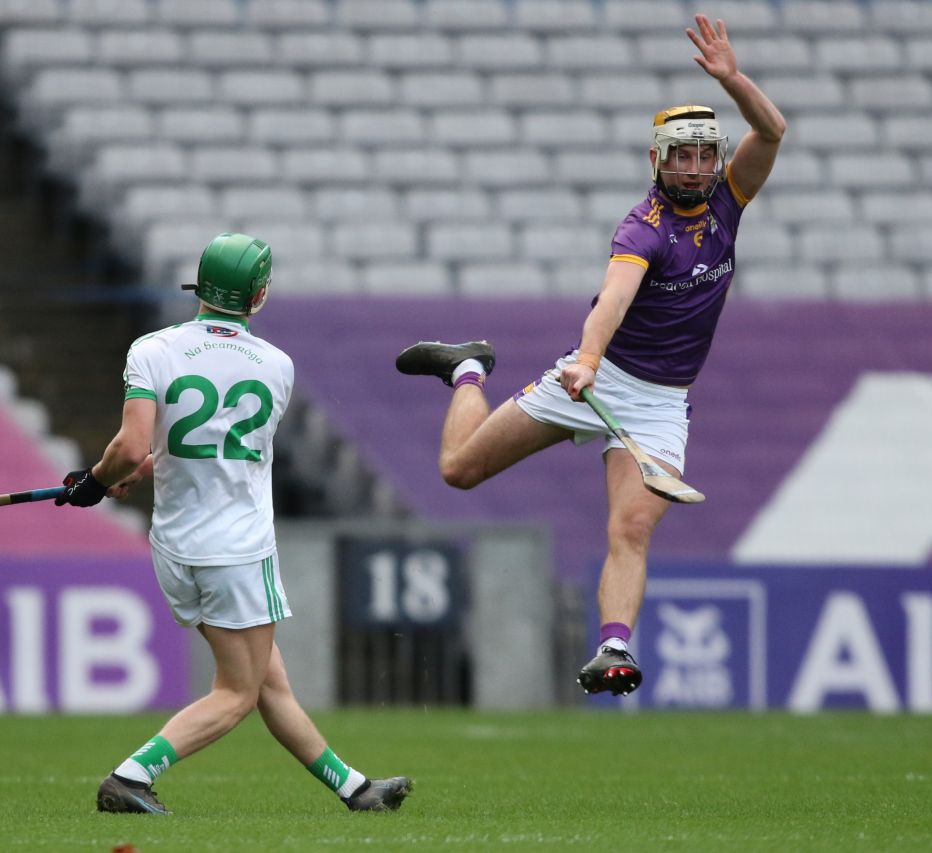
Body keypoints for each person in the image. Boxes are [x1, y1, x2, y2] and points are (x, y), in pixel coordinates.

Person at [396, 15, 785, 697]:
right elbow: (611, 298)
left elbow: (774, 130)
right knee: (459, 469)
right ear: (656, 160)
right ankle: (466, 369)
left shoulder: (729, 203)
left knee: (630, 525)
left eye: (703, 154)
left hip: (660, 403)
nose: (693, 167)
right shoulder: (645, 227)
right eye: (679, 155)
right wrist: (589, 361)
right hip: (594, 373)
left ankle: (614, 648)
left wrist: (732, 80)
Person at [57, 232, 412, 814]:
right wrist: (124, 467)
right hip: (238, 549)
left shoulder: (152, 349)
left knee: (267, 681)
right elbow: (224, 446)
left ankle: (355, 789)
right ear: (260, 296)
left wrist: (100, 480)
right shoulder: (277, 366)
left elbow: (132, 446)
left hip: (175, 545)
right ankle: (130, 777)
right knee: (237, 693)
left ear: (199, 286)